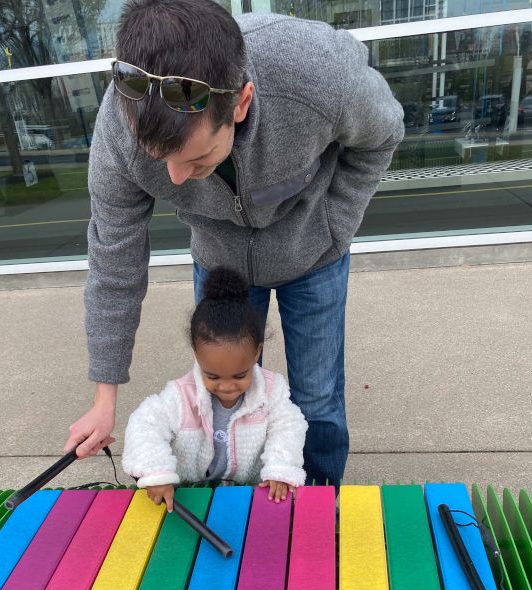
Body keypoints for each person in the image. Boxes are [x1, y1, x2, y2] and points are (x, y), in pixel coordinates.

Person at [65, 0, 405, 486]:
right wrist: (105, 399)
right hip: (221, 263)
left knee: (317, 402)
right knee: (224, 399)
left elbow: (383, 133)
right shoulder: (119, 130)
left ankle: (319, 504)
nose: (177, 179)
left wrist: (335, 222)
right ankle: (245, 508)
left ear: (241, 103)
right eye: (159, 159)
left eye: (197, 158)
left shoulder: (314, 75)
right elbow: (114, 262)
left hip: (312, 252)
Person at [121, 268, 308, 510]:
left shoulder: (272, 391)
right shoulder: (180, 395)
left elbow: (290, 426)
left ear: (257, 353)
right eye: (213, 376)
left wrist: (280, 469)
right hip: (191, 497)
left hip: (250, 497)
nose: (227, 386)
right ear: (197, 356)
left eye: (240, 375)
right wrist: (156, 472)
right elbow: (144, 424)